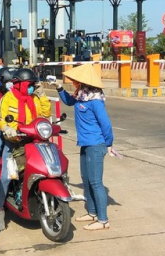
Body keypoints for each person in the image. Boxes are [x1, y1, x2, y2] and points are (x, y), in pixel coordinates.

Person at [51, 63, 113, 231]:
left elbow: (106, 124)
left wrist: (108, 144)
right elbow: (69, 101)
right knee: (86, 180)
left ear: (84, 82)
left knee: (95, 182)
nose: (74, 83)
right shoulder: (81, 95)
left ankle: (102, 220)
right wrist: (59, 88)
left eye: (76, 81)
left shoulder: (95, 100)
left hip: (95, 144)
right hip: (85, 144)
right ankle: (92, 212)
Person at [0, 68, 51, 230]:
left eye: (34, 85)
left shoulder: (34, 98)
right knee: (6, 177)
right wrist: (6, 127)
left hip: (34, 141)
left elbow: (45, 114)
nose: (32, 87)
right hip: (14, 143)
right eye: (30, 84)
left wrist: (42, 95)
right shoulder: (8, 98)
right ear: (20, 84)